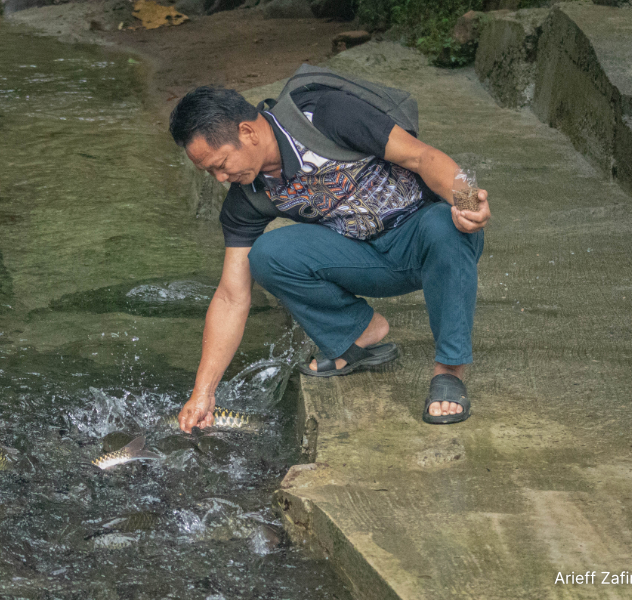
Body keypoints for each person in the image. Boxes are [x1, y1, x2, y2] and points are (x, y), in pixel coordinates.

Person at [168, 83, 490, 432]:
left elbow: (422, 156)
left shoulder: (326, 114)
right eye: (211, 173)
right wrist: (203, 392)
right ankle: (358, 332)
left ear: (247, 132)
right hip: (362, 259)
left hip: (426, 239)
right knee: (267, 254)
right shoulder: (248, 197)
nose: (220, 179)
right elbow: (231, 296)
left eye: (221, 165)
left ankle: (449, 371)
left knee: (447, 224)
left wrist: (469, 203)